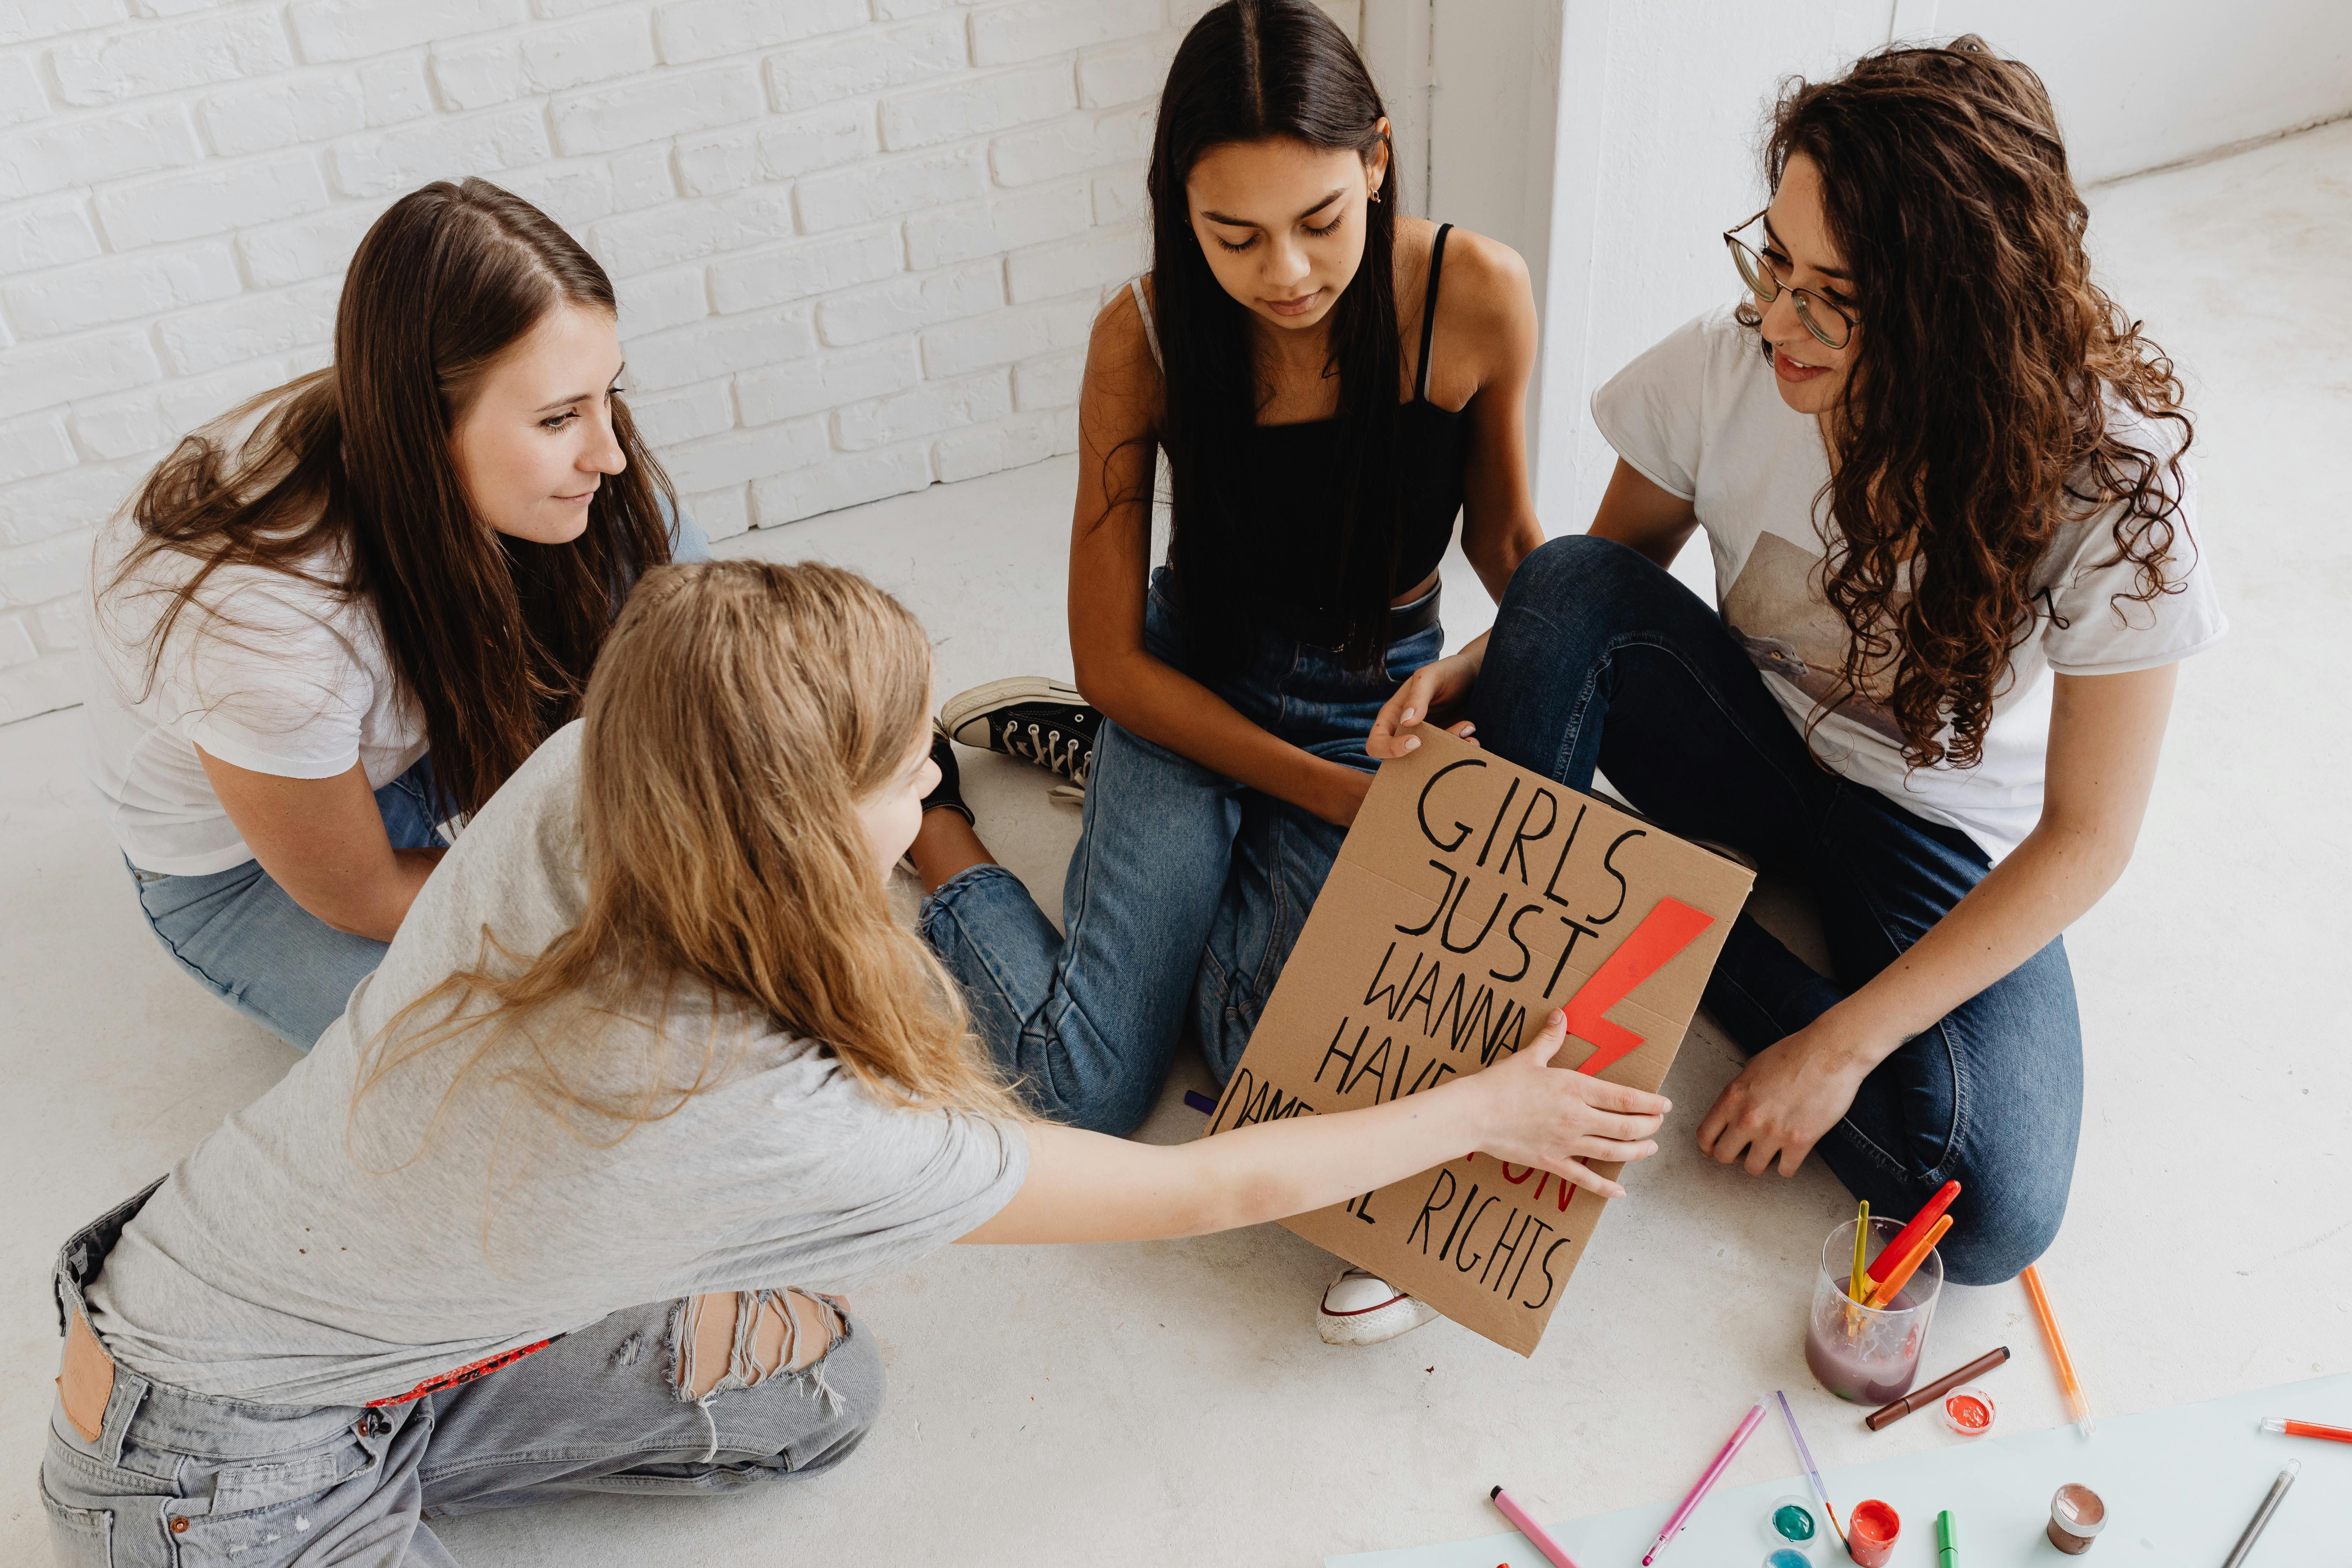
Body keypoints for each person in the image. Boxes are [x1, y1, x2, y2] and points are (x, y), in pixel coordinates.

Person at [38, 560, 1666, 1567]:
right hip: (202, 1480)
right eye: (910, 780)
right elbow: (1207, 1185)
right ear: (813, 834)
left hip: (295, 1285)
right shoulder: (760, 1128)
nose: (921, 804)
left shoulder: (594, 766)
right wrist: (1490, 1102)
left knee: (824, 1389)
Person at [1371, 38, 2225, 1286]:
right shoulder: (1729, 367)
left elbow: (2089, 836)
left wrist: (1836, 1050)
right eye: (1775, 259)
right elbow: (1604, 580)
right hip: (1747, 743)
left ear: (1956, 316)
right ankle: (1540, 997)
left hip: (1936, 835)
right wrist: (1490, 662)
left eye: (1834, 294)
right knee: (1554, 586)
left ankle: (1670, 938)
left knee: (1989, 1217)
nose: (1779, 318)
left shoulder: (2112, 488)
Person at [901, 0, 1546, 1344]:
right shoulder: (1138, 338)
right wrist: (1330, 797)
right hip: (1185, 693)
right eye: (1233, 235)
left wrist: (1502, 701)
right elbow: (1112, 659)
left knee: (1286, 1072)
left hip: (1383, 697)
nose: (1288, 272)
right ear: (1175, 209)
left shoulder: (1477, 291)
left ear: (1376, 157)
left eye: (1319, 217)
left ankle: (1172, 841)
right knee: (1087, 1091)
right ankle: (937, 823)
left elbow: (1508, 546)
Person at [79, 177, 708, 1052]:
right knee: (523, 1060)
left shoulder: (439, 442)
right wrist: (626, 898)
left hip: (423, 707)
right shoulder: (267, 638)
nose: (607, 449)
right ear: (424, 426)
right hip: (264, 870)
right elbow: (361, 892)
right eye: (561, 417)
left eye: (609, 395)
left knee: (674, 555)